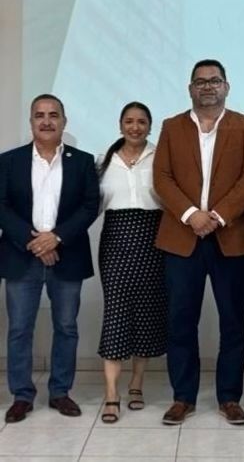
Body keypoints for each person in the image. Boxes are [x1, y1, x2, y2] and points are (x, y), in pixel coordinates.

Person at [153, 58, 244, 426]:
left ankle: (229, 397)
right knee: (181, 320)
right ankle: (182, 397)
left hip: (229, 237)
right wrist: (191, 215)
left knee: (233, 322)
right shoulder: (171, 127)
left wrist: (216, 216)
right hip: (181, 238)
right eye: (200, 81)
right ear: (190, 88)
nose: (208, 86)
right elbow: (162, 177)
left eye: (215, 80)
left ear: (226, 87)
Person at [0, 94, 99, 423]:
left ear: (64, 121)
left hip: (66, 255)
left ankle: (60, 392)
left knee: (66, 327)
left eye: (53, 115)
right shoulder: (9, 161)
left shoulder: (82, 161)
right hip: (21, 255)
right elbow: (2, 206)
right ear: (31, 121)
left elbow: (89, 205)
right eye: (39, 115)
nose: (46, 121)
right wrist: (35, 242)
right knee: (19, 329)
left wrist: (55, 237)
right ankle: (22, 395)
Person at [96, 101, 166, 423]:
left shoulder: (160, 156)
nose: (135, 127)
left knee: (146, 313)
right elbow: (92, 204)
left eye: (141, 122)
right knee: (116, 313)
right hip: (115, 240)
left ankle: (136, 384)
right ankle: (111, 393)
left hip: (153, 239)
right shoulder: (103, 160)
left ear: (149, 126)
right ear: (120, 124)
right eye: (129, 121)